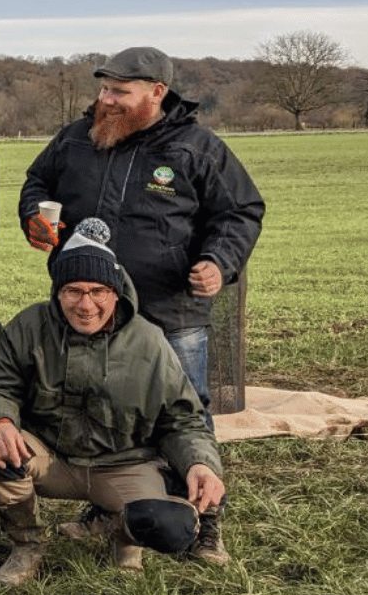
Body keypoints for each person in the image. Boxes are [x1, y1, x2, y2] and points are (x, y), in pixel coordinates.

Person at [19, 46, 262, 561]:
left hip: (171, 310)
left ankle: (206, 521)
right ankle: (111, 508)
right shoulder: (75, 140)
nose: (105, 100)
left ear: (157, 92)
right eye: (103, 89)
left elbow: (240, 211)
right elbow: (38, 182)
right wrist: (35, 217)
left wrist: (219, 260)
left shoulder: (196, 149)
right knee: (100, 405)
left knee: (188, 412)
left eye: (119, 92)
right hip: (89, 311)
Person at [0, 219, 228, 585]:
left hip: (124, 465)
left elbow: (183, 420)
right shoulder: (29, 326)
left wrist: (199, 464)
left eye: (98, 291)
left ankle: (120, 535)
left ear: (116, 292)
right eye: (73, 291)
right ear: (57, 292)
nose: (85, 304)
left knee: (174, 526)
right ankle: (27, 544)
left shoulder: (149, 343)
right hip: (51, 457)